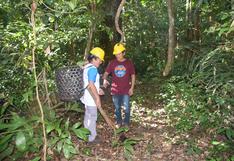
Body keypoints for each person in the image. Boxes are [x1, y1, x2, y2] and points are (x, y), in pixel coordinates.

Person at [103, 43, 135, 128]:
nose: (117, 55)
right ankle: (119, 122)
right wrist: (105, 79)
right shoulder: (112, 63)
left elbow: (133, 75)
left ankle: (126, 122)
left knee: (127, 108)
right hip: (115, 89)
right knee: (117, 108)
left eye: (119, 53)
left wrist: (132, 88)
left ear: (124, 53)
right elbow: (106, 73)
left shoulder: (129, 63)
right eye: (116, 54)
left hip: (126, 89)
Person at [80, 47, 105, 143]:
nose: (100, 62)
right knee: (93, 117)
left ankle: (86, 135)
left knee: (88, 116)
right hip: (91, 99)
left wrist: (98, 90)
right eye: (100, 60)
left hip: (86, 97)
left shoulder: (87, 67)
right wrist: (97, 98)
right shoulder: (93, 69)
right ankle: (92, 138)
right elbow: (91, 83)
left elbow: (90, 84)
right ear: (94, 58)